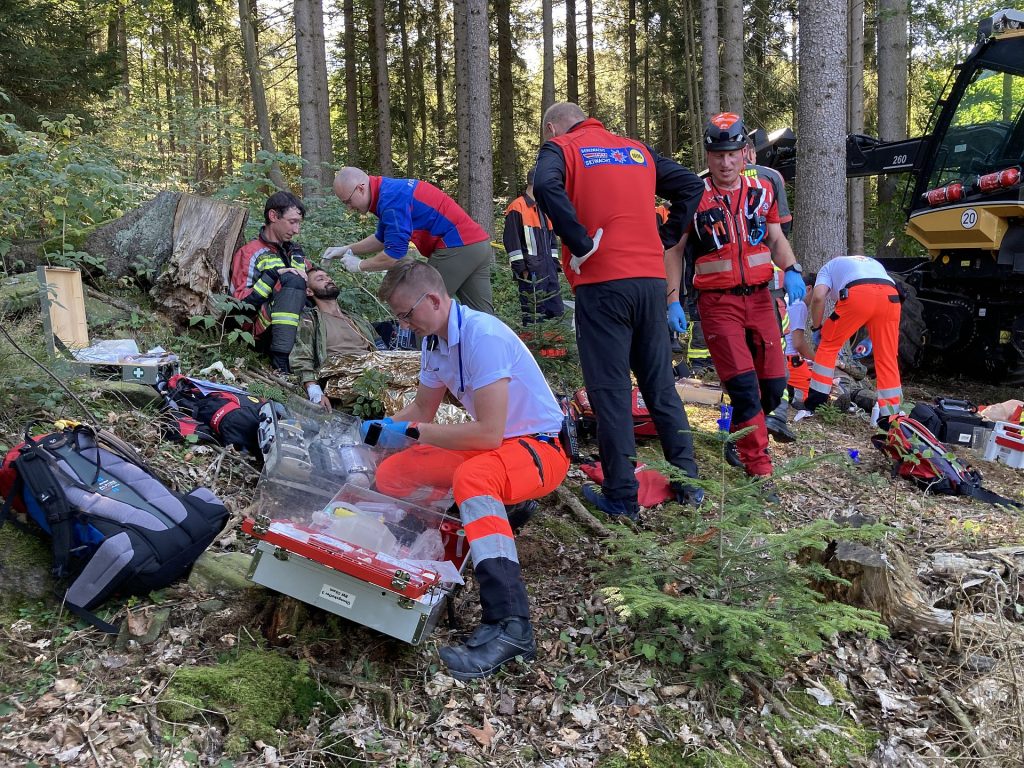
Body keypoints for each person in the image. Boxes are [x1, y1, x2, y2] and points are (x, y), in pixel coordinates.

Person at [362, 261, 570, 680]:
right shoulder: (435, 343)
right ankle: (436, 542)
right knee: (394, 475)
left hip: (539, 448)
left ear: (435, 300)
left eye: (407, 315)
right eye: (399, 317)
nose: (405, 324)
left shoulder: (483, 337)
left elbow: (490, 434)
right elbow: (422, 409)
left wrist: (416, 432)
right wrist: (376, 438)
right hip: (495, 448)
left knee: (474, 479)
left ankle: (511, 626)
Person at [533, 101, 705, 521]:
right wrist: (667, 233)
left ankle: (621, 496)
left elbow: (544, 188)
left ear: (553, 127)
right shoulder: (635, 150)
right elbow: (690, 186)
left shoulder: (562, 149)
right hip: (649, 284)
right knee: (660, 387)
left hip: (602, 284)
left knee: (609, 394)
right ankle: (689, 483)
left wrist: (578, 237)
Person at [663, 112, 806, 493]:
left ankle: (739, 432)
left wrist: (792, 268)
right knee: (743, 388)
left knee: (773, 387)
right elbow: (673, 250)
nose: (725, 163)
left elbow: (774, 237)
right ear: (708, 155)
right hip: (717, 303)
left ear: (745, 152)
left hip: (760, 299)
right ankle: (758, 470)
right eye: (717, 155)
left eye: (732, 154)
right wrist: (672, 300)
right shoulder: (691, 193)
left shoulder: (764, 188)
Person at [325, 167, 495, 314]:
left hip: (456, 246)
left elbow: (395, 255)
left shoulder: (390, 200)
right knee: (483, 317)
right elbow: (382, 239)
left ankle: (422, 352)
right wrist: (346, 249)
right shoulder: (387, 190)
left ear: (361, 189)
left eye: (348, 201)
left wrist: (360, 266)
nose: (349, 207)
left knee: (420, 310)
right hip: (478, 245)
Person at [801, 255, 903, 425]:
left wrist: (817, 327)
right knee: (887, 358)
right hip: (891, 297)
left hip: (858, 294)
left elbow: (818, 297)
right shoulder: (869, 263)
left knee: (828, 345)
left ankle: (815, 403)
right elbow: (879, 293)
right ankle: (890, 416)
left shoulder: (826, 269)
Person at [230, 191, 310, 373]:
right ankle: (281, 364)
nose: (296, 230)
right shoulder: (250, 253)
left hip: (300, 326)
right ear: (273, 216)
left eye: (298, 223)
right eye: (292, 222)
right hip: (259, 332)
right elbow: (240, 304)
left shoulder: (295, 252)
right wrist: (274, 275)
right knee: (293, 280)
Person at [289, 267, 385, 410]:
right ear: (309, 291)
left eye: (328, 276)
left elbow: (382, 347)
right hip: (343, 378)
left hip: (376, 372)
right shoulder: (310, 320)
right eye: (320, 279)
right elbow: (301, 357)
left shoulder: (357, 320)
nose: (328, 279)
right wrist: (314, 390)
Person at [502, 167, 564, 325]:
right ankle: (533, 349)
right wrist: (522, 269)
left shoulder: (544, 208)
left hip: (549, 271)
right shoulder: (517, 207)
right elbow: (512, 242)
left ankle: (554, 350)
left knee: (556, 313)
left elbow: (552, 240)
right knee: (533, 317)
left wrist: (555, 265)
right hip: (531, 274)